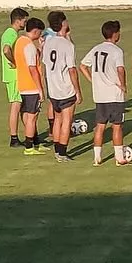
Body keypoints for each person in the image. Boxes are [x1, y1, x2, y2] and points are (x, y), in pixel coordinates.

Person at [80, 20, 129, 166]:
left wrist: (92, 81)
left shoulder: (96, 49)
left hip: (100, 94)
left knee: (100, 126)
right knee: (117, 126)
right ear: (115, 34)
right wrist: (123, 85)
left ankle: (97, 158)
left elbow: (82, 66)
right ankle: (119, 158)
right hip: (114, 94)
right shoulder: (116, 51)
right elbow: (120, 69)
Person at [42, 11, 82, 162]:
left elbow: (45, 64)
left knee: (57, 119)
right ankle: (62, 153)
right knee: (67, 120)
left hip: (53, 89)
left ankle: (57, 150)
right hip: (65, 88)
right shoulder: (67, 45)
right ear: (63, 23)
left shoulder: (48, 42)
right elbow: (72, 70)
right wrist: (78, 91)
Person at [14, 18, 46, 156]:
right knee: (32, 117)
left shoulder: (20, 42)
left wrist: (41, 48)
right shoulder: (29, 46)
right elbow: (33, 68)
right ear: (35, 31)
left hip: (22, 84)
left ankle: (35, 144)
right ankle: (29, 147)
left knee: (27, 116)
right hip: (31, 86)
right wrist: (40, 89)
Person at [1, 7, 29, 147]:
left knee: (19, 104)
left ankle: (30, 134)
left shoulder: (9, 33)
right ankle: (14, 138)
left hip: (12, 75)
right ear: (18, 21)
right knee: (16, 105)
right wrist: (14, 62)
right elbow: (6, 50)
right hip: (13, 75)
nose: (25, 23)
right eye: (24, 20)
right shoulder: (11, 34)